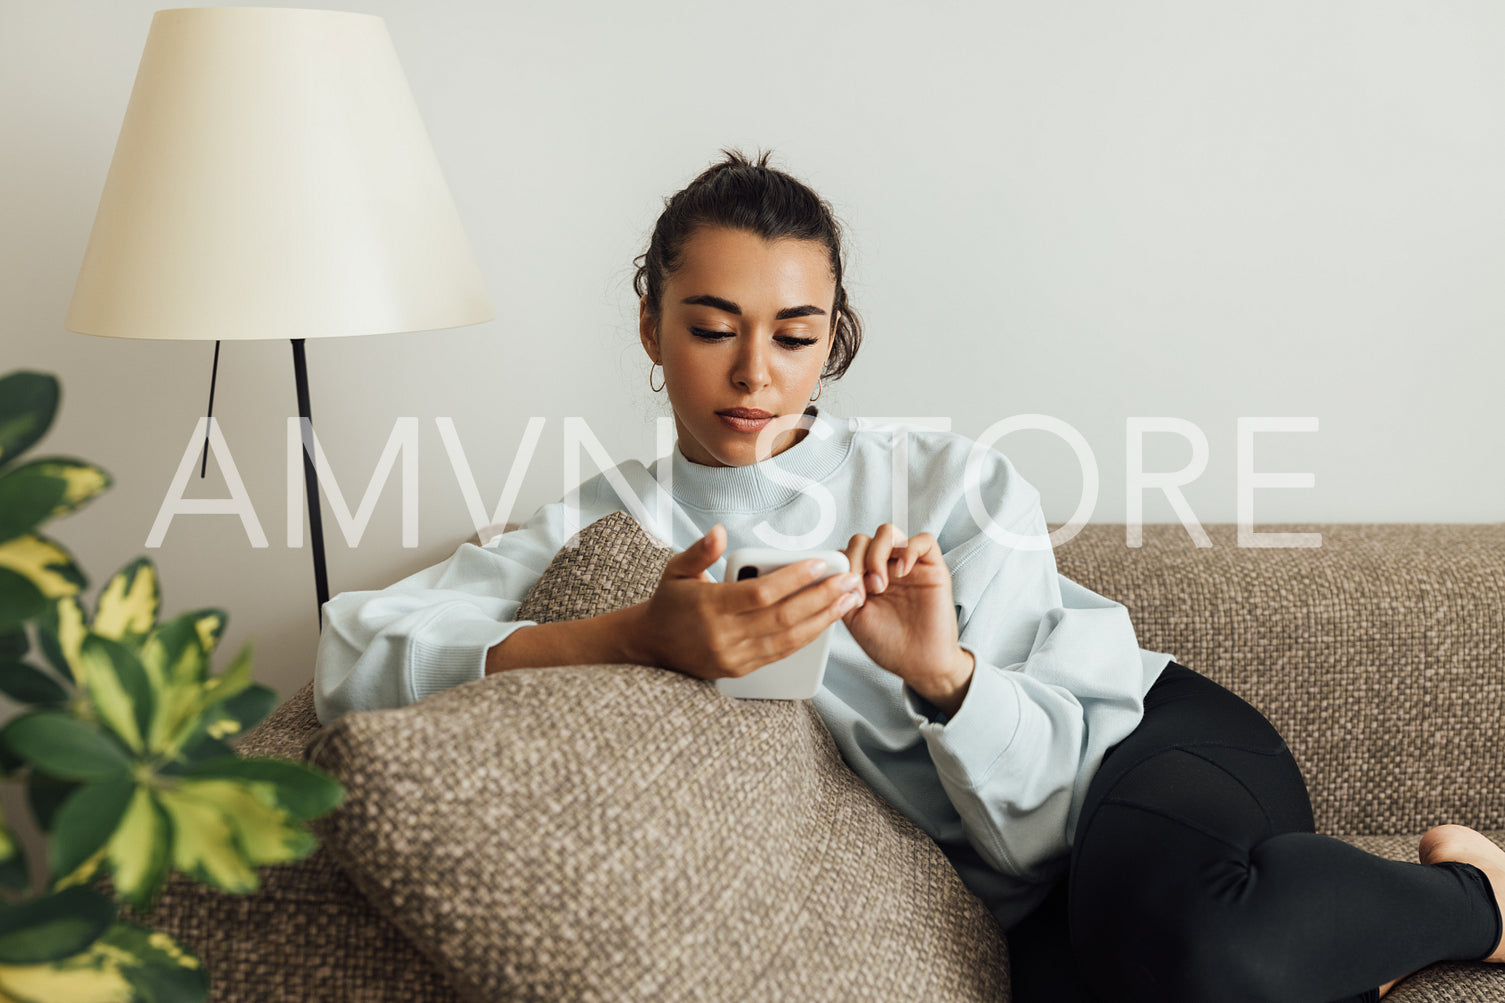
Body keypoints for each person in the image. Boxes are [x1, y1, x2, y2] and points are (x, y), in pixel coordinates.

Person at [312, 148, 1504, 1002]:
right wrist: (633, 636)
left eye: (791, 335)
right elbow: (350, 652)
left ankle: (1473, 900)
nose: (751, 374)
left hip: (1132, 749)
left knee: (1207, 953)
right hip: (1013, 897)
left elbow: (1039, 814)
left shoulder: (940, 481)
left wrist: (942, 674)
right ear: (648, 324)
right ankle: (1338, 938)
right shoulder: (608, 525)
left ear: (830, 338)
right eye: (709, 324)